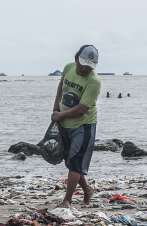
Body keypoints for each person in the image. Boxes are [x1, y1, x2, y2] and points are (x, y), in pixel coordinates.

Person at [51, 45, 101, 208]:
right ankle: (87, 190)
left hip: (83, 124)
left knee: (76, 160)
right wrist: (56, 108)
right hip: (65, 122)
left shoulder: (94, 81)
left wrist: (60, 115)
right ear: (76, 59)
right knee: (70, 161)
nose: (85, 70)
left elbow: (82, 108)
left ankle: (67, 200)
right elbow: (61, 87)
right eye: (83, 65)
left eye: (89, 67)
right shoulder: (68, 67)